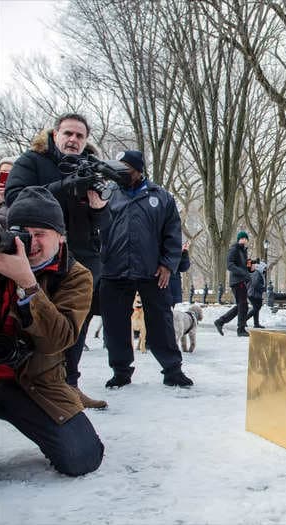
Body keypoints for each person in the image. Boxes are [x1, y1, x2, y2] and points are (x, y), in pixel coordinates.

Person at [0, 187, 104, 475]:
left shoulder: (76, 275)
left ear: (61, 236)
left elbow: (58, 340)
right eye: (21, 231)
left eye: (40, 233)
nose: (29, 242)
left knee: (82, 457)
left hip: (37, 381)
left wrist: (28, 285)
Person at [6, 113, 109, 409]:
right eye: (69, 134)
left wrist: (99, 206)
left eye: (80, 136)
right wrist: (66, 184)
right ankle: (24, 385)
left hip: (82, 257)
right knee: (34, 321)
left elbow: (104, 221)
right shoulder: (31, 161)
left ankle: (70, 384)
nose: (74, 140)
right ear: (55, 135)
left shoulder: (92, 168)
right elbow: (15, 199)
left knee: (74, 325)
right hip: (36, 256)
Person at [99, 150, 192, 388]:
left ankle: (172, 369)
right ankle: (120, 371)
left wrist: (168, 265)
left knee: (161, 320)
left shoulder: (161, 197)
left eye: (125, 169)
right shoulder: (107, 194)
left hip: (152, 270)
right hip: (114, 269)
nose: (120, 173)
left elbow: (173, 234)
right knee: (115, 323)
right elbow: (95, 227)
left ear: (138, 171)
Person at [214, 231, 251, 337]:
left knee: (241, 305)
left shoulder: (243, 251)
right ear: (238, 239)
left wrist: (251, 267)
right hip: (237, 281)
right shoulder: (234, 249)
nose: (244, 240)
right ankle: (241, 330)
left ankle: (220, 322)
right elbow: (229, 265)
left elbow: (244, 266)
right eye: (242, 238)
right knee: (243, 305)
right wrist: (242, 272)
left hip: (242, 280)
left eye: (245, 239)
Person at [169, 240, 190, 307]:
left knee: (172, 314)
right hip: (159, 286)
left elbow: (184, 267)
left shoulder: (176, 248)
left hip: (174, 288)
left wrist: (184, 252)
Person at [0, 156, 17, 228]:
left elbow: (9, 223)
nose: (6, 175)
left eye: (9, 172)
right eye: (2, 172)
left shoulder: (21, 194)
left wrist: (2, 203)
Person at [246, 261, 266, 329]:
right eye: (264, 268)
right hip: (254, 294)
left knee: (256, 308)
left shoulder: (257, 273)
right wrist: (263, 288)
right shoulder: (257, 273)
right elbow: (255, 284)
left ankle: (256, 323)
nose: (265, 270)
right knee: (256, 308)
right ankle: (243, 320)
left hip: (254, 293)